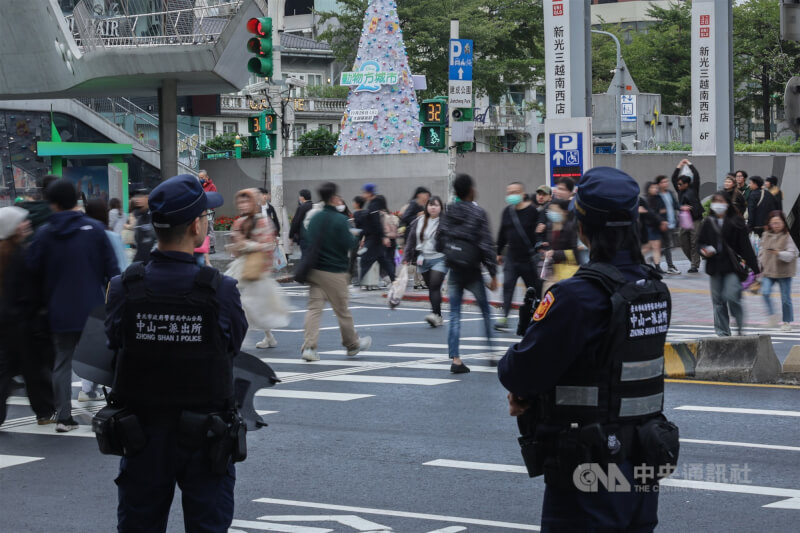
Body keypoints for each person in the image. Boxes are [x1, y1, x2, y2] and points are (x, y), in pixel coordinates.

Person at [498, 166, 676, 533]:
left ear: (582, 226)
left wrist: (523, 392)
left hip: (589, 467)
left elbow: (521, 370)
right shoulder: (655, 290)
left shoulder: (578, 296)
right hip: (644, 460)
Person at [105, 174, 247, 532]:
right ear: (197, 226)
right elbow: (232, 345)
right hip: (207, 438)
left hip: (141, 434)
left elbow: (113, 343)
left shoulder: (125, 286)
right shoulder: (220, 290)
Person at [27, 180, 119, 432]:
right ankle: (114, 410)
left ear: (52, 204)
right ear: (77, 200)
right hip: (93, 308)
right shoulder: (95, 229)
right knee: (105, 359)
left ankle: (64, 418)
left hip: (58, 310)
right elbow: (113, 271)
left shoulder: (44, 233)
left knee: (62, 362)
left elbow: (32, 270)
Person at [300, 182, 372, 362]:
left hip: (314, 270)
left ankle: (309, 347)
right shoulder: (340, 220)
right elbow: (349, 244)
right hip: (334, 271)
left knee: (314, 309)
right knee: (342, 310)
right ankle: (352, 345)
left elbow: (307, 239)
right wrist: (354, 236)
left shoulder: (315, 218)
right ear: (333, 198)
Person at [437, 173, 498, 373]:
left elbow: (439, 240)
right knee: (485, 312)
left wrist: (450, 253)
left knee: (454, 314)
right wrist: (493, 273)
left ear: (455, 192)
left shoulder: (449, 212)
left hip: (454, 269)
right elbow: (486, 244)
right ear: (471, 191)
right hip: (473, 271)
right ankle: (491, 353)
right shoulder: (478, 213)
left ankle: (455, 359)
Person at [0, 207, 55, 426]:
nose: (26, 223)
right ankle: (44, 412)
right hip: (24, 323)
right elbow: (32, 291)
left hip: (3, 322)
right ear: (12, 229)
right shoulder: (22, 256)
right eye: (21, 222)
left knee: (3, 371)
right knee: (33, 370)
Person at [225, 188, 289, 350]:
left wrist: (246, 245)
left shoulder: (263, 221)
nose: (243, 205)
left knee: (247, 305)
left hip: (257, 269)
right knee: (246, 304)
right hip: (241, 268)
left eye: (246, 201)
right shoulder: (239, 222)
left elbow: (268, 244)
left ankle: (240, 339)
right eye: (240, 202)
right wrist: (235, 245)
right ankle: (268, 337)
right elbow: (236, 247)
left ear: (254, 203)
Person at [698, 192, 759, 336]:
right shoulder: (708, 222)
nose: (718, 204)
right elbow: (700, 242)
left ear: (727, 203)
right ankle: (722, 333)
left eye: (721, 201)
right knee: (718, 302)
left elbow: (746, 247)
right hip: (714, 267)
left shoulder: (736, 221)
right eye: (715, 201)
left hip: (732, 267)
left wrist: (755, 268)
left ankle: (739, 327)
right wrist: (704, 251)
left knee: (732, 297)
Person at [495, 182, 541, 331]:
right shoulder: (507, 212)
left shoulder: (533, 212)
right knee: (508, 286)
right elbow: (502, 233)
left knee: (533, 289)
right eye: (509, 192)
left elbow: (538, 234)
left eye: (515, 192)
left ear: (522, 194)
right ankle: (504, 317)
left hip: (528, 259)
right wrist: (498, 252)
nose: (512, 195)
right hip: (512, 258)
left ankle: (538, 316)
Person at [404, 196, 447, 327]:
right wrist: (407, 257)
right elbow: (411, 240)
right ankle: (438, 315)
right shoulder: (419, 221)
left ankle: (434, 315)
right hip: (423, 258)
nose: (433, 207)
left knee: (434, 285)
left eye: (436, 205)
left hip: (439, 258)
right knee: (433, 289)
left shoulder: (445, 222)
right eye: (430, 205)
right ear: (426, 207)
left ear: (441, 208)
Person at [759, 211, 797, 331]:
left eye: (778, 223)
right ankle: (772, 315)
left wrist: (779, 253)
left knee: (786, 298)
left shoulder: (788, 236)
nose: (775, 225)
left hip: (784, 272)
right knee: (765, 292)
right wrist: (759, 265)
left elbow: (792, 254)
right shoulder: (765, 235)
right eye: (773, 223)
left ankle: (787, 322)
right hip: (768, 271)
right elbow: (761, 251)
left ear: (783, 223)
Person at [537, 199, 580, 295]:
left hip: (567, 273)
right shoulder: (549, 226)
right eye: (550, 210)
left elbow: (574, 253)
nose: (552, 213)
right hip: (552, 273)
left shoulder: (570, 227)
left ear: (564, 212)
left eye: (555, 211)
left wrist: (554, 253)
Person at [671, 159, 703, 273]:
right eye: (678, 184)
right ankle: (694, 260)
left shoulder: (693, 189)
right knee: (683, 241)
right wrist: (679, 166)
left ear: (686, 184)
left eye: (681, 184)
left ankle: (694, 264)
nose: (678, 185)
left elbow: (696, 175)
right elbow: (673, 178)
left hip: (695, 219)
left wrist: (690, 164)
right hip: (684, 220)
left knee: (694, 242)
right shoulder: (679, 191)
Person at [359, 193, 396, 286]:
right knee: (384, 261)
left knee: (365, 261)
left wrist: (384, 236)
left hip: (373, 241)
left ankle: (359, 281)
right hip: (377, 241)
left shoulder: (374, 207)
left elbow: (377, 225)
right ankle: (395, 281)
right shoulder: (374, 207)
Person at [656, 175, 680, 274]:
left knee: (668, 245)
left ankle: (665, 264)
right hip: (661, 224)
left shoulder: (670, 193)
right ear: (659, 184)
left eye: (667, 181)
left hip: (671, 223)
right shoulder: (656, 195)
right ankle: (663, 266)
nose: (666, 183)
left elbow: (675, 205)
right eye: (663, 182)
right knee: (662, 245)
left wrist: (682, 208)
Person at [642, 181, 667, 273]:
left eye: (656, 188)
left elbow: (662, 211)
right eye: (653, 188)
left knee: (653, 247)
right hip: (648, 226)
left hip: (657, 225)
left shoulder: (659, 198)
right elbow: (647, 214)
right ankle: (639, 262)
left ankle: (657, 266)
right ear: (648, 189)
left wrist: (663, 221)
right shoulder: (644, 199)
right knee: (651, 247)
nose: (655, 189)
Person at [131, 188, 156, 264]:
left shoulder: (154, 215)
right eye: (137, 197)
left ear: (147, 198)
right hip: (140, 261)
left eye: (141, 196)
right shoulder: (138, 216)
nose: (137, 199)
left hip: (152, 262)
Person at [289, 189, 313, 255]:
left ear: (302, 197)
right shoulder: (314, 206)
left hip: (304, 237)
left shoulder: (301, 207)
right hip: (314, 237)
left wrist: (291, 236)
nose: (299, 198)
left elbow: (295, 222)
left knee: (305, 256)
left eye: (299, 196)